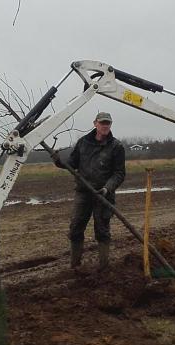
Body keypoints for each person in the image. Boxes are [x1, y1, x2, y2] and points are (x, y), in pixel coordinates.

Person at [53, 112, 125, 270]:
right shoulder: (83, 142)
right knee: (76, 228)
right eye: (102, 123)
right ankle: (75, 266)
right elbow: (71, 163)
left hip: (104, 195)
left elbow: (119, 173)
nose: (105, 126)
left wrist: (107, 188)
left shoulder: (116, 147)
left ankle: (104, 267)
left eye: (108, 123)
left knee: (102, 230)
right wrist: (59, 161)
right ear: (95, 124)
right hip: (83, 192)